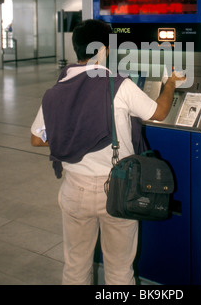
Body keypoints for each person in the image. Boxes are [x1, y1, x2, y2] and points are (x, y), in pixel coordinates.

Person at [31, 19, 184, 286]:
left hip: (74, 189)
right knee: (119, 269)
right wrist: (170, 83)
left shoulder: (58, 88)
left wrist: (75, 136)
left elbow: (37, 138)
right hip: (117, 189)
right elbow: (159, 113)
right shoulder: (118, 84)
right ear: (103, 49)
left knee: (75, 265)